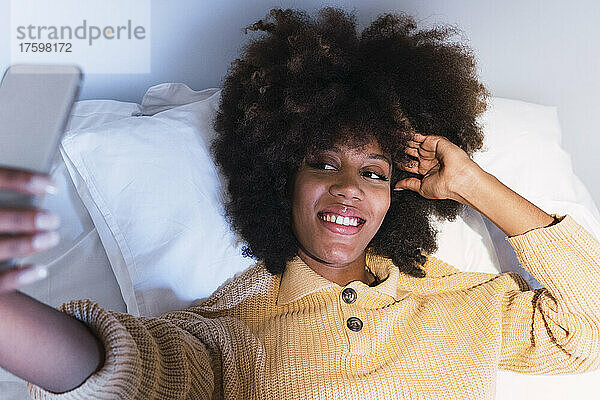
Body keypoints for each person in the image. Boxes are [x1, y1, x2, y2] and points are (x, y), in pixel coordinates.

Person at [1, 7, 599, 399]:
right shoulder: (232, 336)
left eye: (374, 172)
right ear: (279, 179)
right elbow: (109, 368)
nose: (348, 188)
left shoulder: (463, 305)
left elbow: (587, 334)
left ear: (397, 197)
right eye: (323, 162)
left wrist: (474, 184)